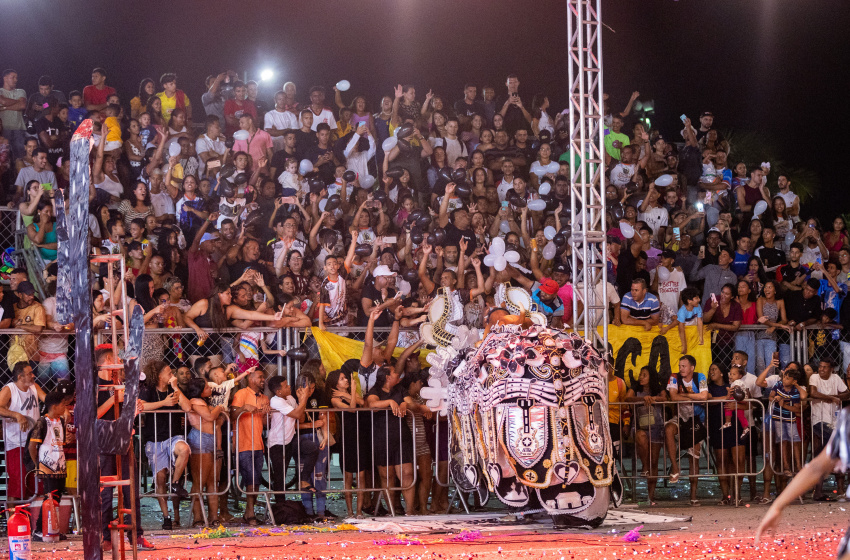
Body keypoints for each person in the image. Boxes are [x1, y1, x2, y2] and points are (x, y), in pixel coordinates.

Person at [138, 360, 192, 530]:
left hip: (173, 435)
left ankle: (175, 482)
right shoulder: (147, 390)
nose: (172, 375)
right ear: (159, 375)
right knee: (160, 478)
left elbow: (188, 407)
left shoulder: (174, 389)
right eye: (169, 372)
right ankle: (166, 516)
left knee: (184, 449)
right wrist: (163, 403)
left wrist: (176, 388)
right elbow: (142, 406)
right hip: (154, 439)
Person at [665, 354, 708, 506]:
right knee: (669, 429)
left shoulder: (700, 376)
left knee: (693, 457)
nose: (681, 368)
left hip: (697, 419)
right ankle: (675, 469)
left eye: (684, 366)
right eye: (680, 366)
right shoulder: (674, 377)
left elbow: (704, 397)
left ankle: (693, 495)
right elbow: (673, 397)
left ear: (692, 368)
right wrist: (691, 397)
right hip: (680, 417)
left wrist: (684, 395)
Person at [0, 362, 45, 502]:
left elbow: (47, 400)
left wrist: (62, 408)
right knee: (17, 484)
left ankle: (28, 520)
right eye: (29, 373)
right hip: (15, 443)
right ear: (20, 377)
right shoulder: (10, 389)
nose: (33, 375)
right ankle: (12, 521)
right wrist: (16, 415)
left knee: (33, 484)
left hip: (33, 442)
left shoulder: (34, 387)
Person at [230, 367, 270, 526]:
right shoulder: (241, 394)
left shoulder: (264, 398)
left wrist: (267, 414)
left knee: (256, 479)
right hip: (243, 443)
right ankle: (250, 512)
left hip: (258, 444)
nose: (262, 380)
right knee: (250, 479)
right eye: (260, 377)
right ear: (250, 378)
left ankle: (249, 511)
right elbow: (232, 415)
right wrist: (243, 408)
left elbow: (265, 424)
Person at [28, 390, 69, 541]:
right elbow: (32, 446)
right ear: (54, 406)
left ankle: (52, 529)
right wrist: (37, 465)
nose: (65, 407)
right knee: (48, 499)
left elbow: (61, 443)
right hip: (47, 467)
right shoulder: (42, 422)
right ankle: (39, 529)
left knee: (56, 498)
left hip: (60, 466)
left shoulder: (61, 422)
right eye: (63, 404)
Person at [808, 358, 850, 501]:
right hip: (819, 420)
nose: (821, 369)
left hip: (833, 420)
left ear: (831, 369)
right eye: (820, 366)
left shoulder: (836, 378)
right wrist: (830, 398)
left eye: (825, 367)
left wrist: (835, 397)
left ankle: (818, 492)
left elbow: (847, 393)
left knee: (822, 456)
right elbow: (813, 393)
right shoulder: (814, 377)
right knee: (839, 446)